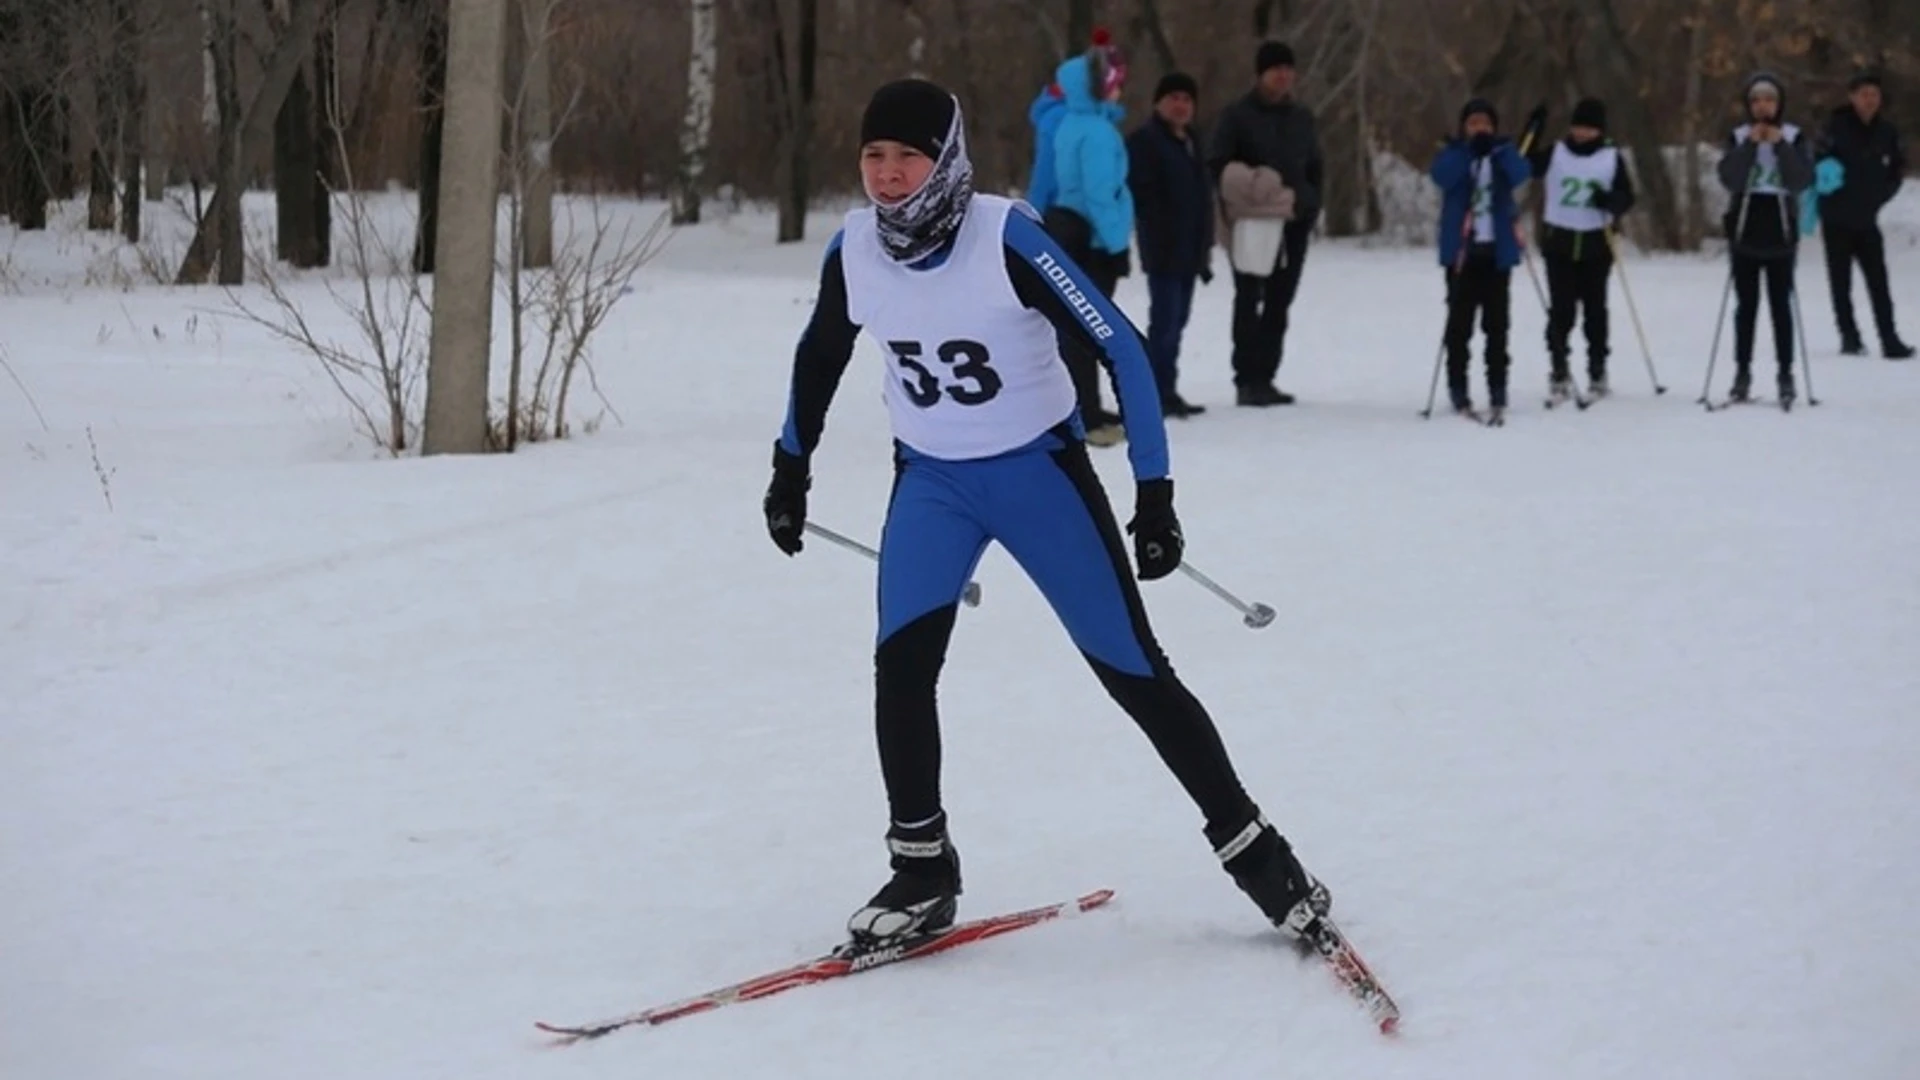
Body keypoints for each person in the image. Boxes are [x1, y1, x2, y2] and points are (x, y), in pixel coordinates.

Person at [761, 78, 1330, 950]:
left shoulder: (1005, 236)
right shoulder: (855, 250)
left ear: (943, 158)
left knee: (1133, 671)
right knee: (901, 671)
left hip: (1038, 475)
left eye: (907, 155)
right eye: (874, 155)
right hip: (933, 484)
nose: (887, 174)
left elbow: (1123, 348)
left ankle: (1258, 854)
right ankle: (922, 869)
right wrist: (789, 468)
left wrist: (1155, 492)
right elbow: (820, 354)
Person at [1207, 41, 1324, 407]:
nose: (1284, 76)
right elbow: (1219, 165)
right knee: (1249, 298)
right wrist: (1252, 188)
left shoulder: (1302, 117)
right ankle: (1246, 378)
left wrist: (1309, 201)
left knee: (1280, 300)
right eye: (1276, 69)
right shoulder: (1237, 116)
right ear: (1261, 74)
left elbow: (1316, 166)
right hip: (1252, 225)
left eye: (1289, 69)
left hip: (1293, 222)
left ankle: (1266, 376)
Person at [1046, 40, 1133, 445]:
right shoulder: (1098, 133)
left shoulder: (1070, 124)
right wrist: (1117, 244)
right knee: (1088, 332)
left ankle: (1086, 406)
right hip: (1093, 242)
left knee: (1078, 331)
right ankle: (1086, 414)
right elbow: (1101, 193)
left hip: (1073, 234)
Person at [1430, 98, 1532, 422]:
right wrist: (1468, 153)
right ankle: (1458, 387)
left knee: (1497, 326)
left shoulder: (1502, 154)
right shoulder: (1455, 153)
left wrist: (1497, 152)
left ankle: (1498, 387)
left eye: (1485, 124)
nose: (1480, 129)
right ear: (1464, 127)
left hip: (1496, 253)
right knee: (1459, 325)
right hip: (1462, 253)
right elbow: (1441, 177)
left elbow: (1520, 174)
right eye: (1473, 123)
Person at [1528, 98, 1636, 402]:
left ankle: (1597, 369)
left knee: (1595, 311)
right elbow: (1525, 163)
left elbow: (1627, 197)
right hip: (1559, 242)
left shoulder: (1611, 157)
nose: (1581, 133)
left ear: (1599, 130)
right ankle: (1559, 370)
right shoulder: (1557, 152)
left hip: (1596, 244)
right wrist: (1533, 129)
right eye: (1578, 126)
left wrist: (1610, 201)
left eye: (1589, 128)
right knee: (1561, 311)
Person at [1716, 73, 1814, 404]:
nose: (1763, 107)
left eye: (1769, 100)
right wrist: (1751, 146)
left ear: (1779, 103)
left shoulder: (1794, 135)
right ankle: (1742, 372)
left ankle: (1786, 373)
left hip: (1780, 228)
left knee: (1780, 305)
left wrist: (1779, 145)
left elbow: (1800, 178)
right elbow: (1730, 178)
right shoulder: (1739, 135)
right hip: (1745, 226)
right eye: (1756, 100)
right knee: (1746, 306)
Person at [1127, 71, 1216, 418]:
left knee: (1177, 323)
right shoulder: (1145, 142)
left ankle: (1169, 387)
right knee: (1163, 324)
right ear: (1159, 103)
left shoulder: (1193, 142)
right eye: (1174, 98)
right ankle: (1155, 392)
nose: (1181, 106)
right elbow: (1144, 195)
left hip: (1191, 249)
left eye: (1187, 100)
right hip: (1164, 248)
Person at [1817, 71, 1912, 360]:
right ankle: (1849, 335)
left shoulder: (1887, 132)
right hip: (1836, 216)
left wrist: (1880, 195)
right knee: (1840, 281)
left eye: (1874, 95)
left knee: (1878, 281)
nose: (1869, 100)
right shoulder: (1835, 127)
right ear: (1852, 96)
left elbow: (1897, 169)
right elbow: (1818, 162)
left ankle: (1889, 337)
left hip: (1867, 218)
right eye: (1864, 94)